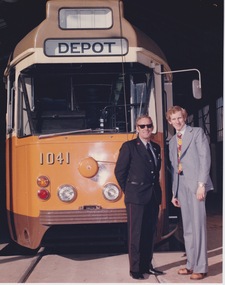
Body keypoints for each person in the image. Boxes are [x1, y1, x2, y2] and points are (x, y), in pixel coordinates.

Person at [166, 105, 214, 280]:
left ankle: (201, 267)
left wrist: (201, 184)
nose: (177, 121)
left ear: (184, 117)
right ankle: (191, 264)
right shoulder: (172, 141)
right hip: (181, 185)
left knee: (198, 226)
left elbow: (205, 158)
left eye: (180, 117)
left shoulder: (197, 133)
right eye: (173, 119)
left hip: (196, 184)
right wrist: (174, 193)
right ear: (169, 122)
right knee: (187, 227)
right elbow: (173, 168)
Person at [114, 115, 164, 280]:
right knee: (135, 233)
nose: (146, 129)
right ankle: (135, 268)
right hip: (136, 197)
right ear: (137, 128)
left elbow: (155, 172)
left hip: (153, 195)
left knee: (150, 232)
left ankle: (146, 266)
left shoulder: (155, 147)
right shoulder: (129, 147)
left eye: (149, 126)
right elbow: (120, 172)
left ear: (152, 127)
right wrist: (128, 191)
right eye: (142, 126)